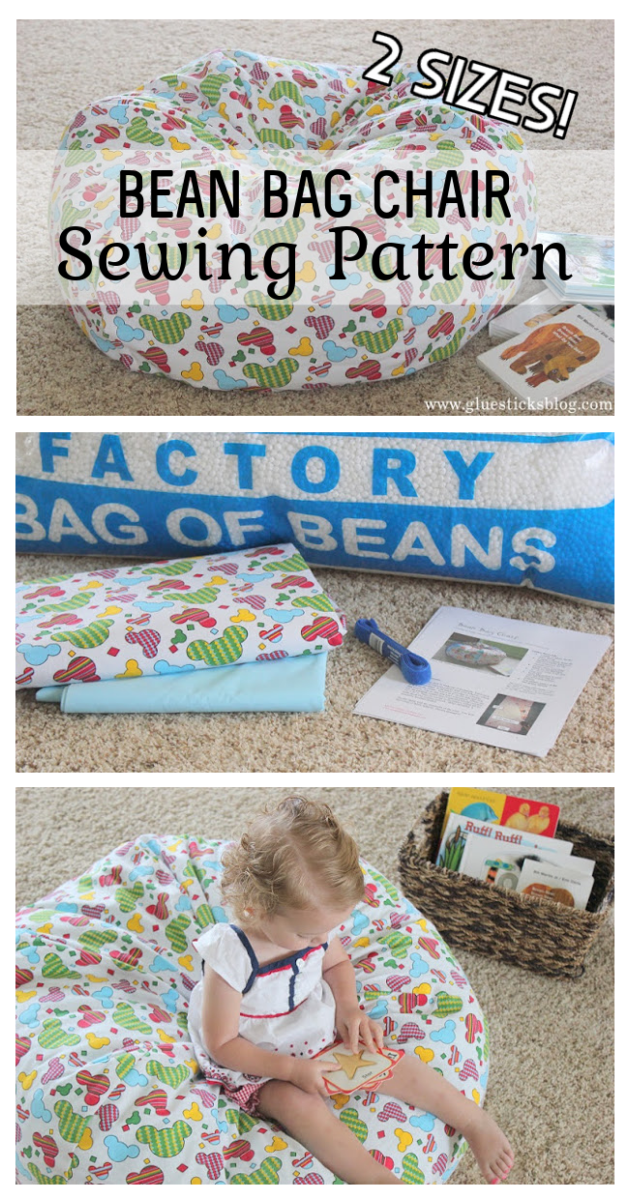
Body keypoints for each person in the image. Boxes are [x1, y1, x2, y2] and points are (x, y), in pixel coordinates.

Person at [188, 796, 513, 1184]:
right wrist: (292, 1070)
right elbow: (223, 1044)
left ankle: (472, 1120)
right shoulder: (232, 956)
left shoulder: (313, 927)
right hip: (258, 1059)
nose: (322, 940)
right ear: (256, 909)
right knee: (298, 1106)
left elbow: (338, 962)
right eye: (308, 934)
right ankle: (376, 1180)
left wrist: (348, 1008)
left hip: (310, 1027)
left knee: (387, 1058)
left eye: (327, 930)